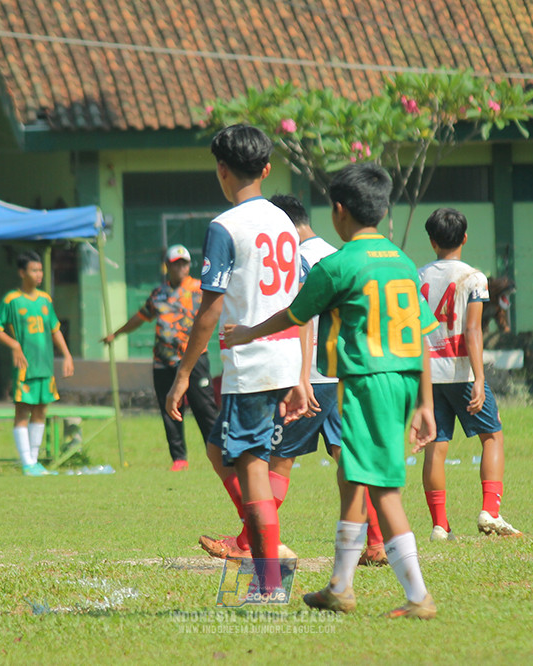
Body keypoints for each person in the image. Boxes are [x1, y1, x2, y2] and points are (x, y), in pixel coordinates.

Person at [224, 162, 440, 619]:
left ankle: (419, 596)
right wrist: (424, 402)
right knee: (351, 482)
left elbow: (294, 315)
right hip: (400, 382)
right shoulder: (401, 260)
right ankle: (340, 586)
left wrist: (246, 333)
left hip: (366, 383)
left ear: (339, 211)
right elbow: (422, 334)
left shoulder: (337, 265)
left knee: (383, 491)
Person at [197, 194, 388, 567]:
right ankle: (378, 542)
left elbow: (298, 314)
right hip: (341, 373)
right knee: (348, 460)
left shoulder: (300, 259)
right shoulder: (337, 254)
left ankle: (253, 542)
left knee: (273, 464)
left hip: (305, 374)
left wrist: (291, 367)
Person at [165, 124, 305, 597]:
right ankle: (264, 563)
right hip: (288, 359)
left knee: (249, 467)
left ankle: (268, 581)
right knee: (243, 458)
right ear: (266, 169)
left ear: (221, 170)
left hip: (252, 362)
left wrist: (183, 374)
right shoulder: (285, 222)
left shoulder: (225, 227)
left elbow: (210, 310)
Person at [418, 207, 521, 539]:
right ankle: (490, 511)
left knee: (436, 444)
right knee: (492, 435)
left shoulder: (416, 276)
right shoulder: (474, 278)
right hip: (461, 371)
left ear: (432, 240)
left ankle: (438, 524)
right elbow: (473, 329)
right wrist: (479, 377)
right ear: (464, 238)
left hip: (429, 374)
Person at [101, 244, 218, 472]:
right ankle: (179, 458)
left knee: (205, 409)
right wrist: (117, 333)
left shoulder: (199, 289)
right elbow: (141, 317)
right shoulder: (159, 293)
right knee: (170, 410)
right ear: (168, 266)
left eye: (184, 263)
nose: (181, 268)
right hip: (163, 362)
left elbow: (217, 311)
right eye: (176, 264)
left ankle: (216, 453)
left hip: (194, 359)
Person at [0, 249, 75, 476]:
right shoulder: (12, 300)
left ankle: (34, 461)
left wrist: (66, 355)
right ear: (21, 272)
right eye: (33, 270)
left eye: (40, 270)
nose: (38, 274)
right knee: (22, 411)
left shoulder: (45, 299)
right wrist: (15, 346)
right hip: (25, 368)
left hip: (44, 365)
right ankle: (26, 462)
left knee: (40, 411)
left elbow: (54, 329)